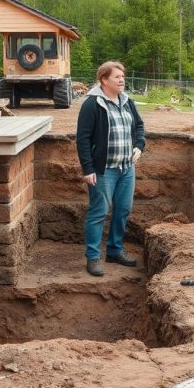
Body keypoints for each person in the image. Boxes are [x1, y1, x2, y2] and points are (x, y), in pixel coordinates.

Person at [76, 61, 146, 276]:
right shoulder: (93, 104)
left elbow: (139, 126)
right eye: (116, 76)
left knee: (123, 209)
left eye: (122, 76)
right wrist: (88, 169)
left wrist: (138, 146)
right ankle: (93, 257)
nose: (121, 79)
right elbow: (83, 139)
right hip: (103, 170)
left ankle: (115, 251)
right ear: (104, 80)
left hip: (126, 168)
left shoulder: (127, 101)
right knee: (98, 212)